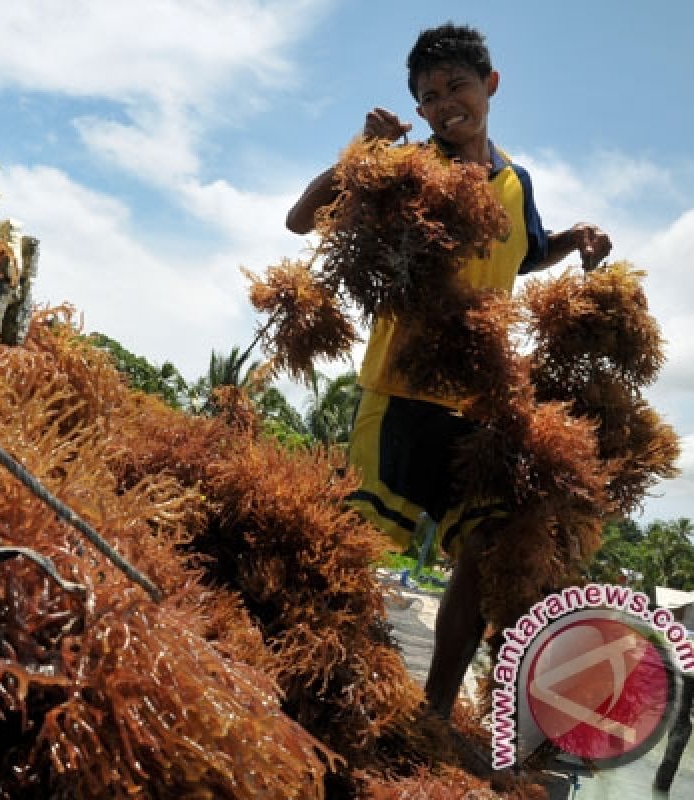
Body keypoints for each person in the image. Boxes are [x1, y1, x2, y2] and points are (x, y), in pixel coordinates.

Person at [285, 24, 612, 724]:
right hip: (399, 391)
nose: (443, 104)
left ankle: (434, 714)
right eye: (428, 97)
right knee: (357, 539)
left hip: (479, 403)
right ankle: (314, 682)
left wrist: (575, 237)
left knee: (483, 550)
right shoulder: (406, 169)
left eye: (455, 86)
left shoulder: (515, 181)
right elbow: (301, 220)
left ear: (489, 86)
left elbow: (522, 258)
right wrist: (360, 151)